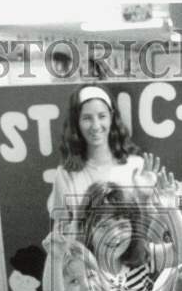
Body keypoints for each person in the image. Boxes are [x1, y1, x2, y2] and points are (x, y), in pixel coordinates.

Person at [46, 84, 144, 223]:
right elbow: (60, 230)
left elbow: (149, 227)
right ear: (77, 123)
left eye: (102, 116)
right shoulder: (65, 174)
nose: (96, 126)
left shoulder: (136, 165)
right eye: (87, 118)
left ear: (111, 118)